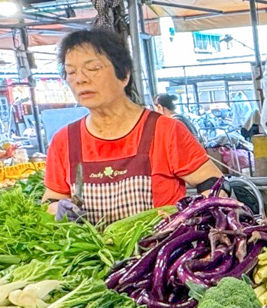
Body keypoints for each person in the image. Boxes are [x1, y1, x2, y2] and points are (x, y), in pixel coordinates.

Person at [42, 29, 223, 224]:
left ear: (124, 75)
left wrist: (197, 220)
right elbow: (51, 198)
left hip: (161, 250)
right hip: (92, 253)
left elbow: (213, 184)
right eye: (71, 72)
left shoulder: (164, 130)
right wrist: (57, 209)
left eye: (93, 68)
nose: (80, 79)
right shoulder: (65, 140)